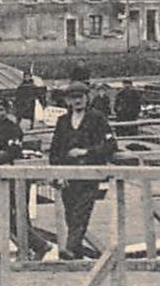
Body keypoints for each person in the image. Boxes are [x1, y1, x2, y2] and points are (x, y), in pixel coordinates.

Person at [0, 96, 49, 258]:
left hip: (16, 176)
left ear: (6, 112)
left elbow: (13, 152)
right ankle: (27, 248)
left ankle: (39, 246)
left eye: (0, 110)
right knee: (3, 215)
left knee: (17, 215)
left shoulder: (13, 128)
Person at [47, 81, 113, 259]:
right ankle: (76, 255)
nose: (77, 101)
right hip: (68, 175)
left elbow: (110, 144)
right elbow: (55, 150)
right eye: (73, 98)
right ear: (68, 101)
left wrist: (86, 152)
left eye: (80, 97)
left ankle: (69, 248)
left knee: (81, 213)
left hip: (89, 174)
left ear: (87, 98)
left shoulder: (97, 118)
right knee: (70, 215)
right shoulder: (62, 121)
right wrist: (58, 173)